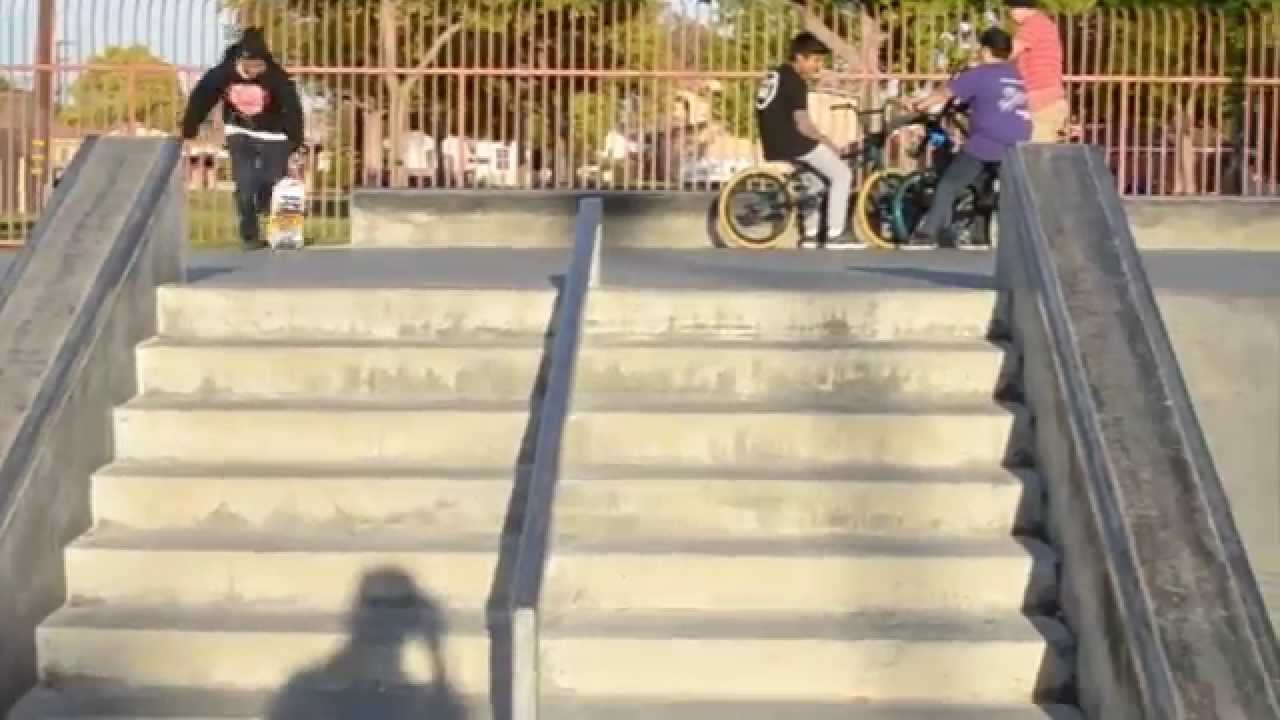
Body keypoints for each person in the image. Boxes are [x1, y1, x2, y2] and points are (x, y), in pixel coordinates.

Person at [907, 27, 1031, 250]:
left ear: (985, 50)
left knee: (949, 183)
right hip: (1019, 141)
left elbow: (944, 93)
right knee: (989, 185)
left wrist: (918, 105)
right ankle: (981, 235)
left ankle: (927, 233)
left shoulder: (980, 74)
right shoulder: (1016, 75)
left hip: (988, 141)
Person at [181, 28, 304, 251]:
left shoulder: (275, 76)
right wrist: (189, 127)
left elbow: (292, 107)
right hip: (239, 131)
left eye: (261, 66)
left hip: (274, 134)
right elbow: (202, 98)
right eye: (253, 66)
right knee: (245, 184)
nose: (257, 71)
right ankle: (249, 235)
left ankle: (269, 211)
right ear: (241, 60)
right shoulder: (222, 74)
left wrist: (295, 140)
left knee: (271, 181)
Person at [755, 32, 858, 249]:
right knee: (842, 174)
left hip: (771, 140)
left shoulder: (774, 75)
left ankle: (810, 234)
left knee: (814, 179)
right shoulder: (796, 81)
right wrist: (826, 141)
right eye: (815, 60)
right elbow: (803, 123)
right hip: (792, 139)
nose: (818, 66)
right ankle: (836, 233)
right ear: (800, 57)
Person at [1007, 0, 1066, 143]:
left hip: (1042, 103)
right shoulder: (1043, 23)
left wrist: (979, 62)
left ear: (1020, 8)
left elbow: (1007, 52)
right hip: (1048, 100)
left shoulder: (1033, 24)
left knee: (1035, 157)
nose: (1009, 14)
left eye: (1010, 9)